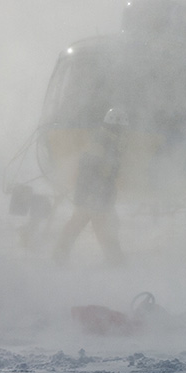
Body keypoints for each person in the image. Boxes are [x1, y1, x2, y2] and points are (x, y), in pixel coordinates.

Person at [53, 107, 127, 265]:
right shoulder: (102, 143)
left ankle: (59, 256)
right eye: (121, 128)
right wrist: (95, 194)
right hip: (95, 195)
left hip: (94, 195)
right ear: (115, 126)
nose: (123, 131)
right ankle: (115, 260)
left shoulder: (108, 141)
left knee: (78, 225)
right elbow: (90, 172)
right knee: (104, 228)